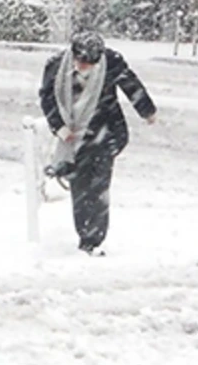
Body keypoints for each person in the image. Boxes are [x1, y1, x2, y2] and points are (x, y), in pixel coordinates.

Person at [39, 32, 156, 256]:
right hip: (74, 137)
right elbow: (47, 98)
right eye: (82, 62)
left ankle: (94, 239)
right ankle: (85, 235)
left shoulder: (110, 61)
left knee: (99, 186)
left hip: (106, 132)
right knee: (80, 187)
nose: (85, 67)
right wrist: (60, 128)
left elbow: (130, 84)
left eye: (91, 63)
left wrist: (147, 111)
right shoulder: (55, 66)